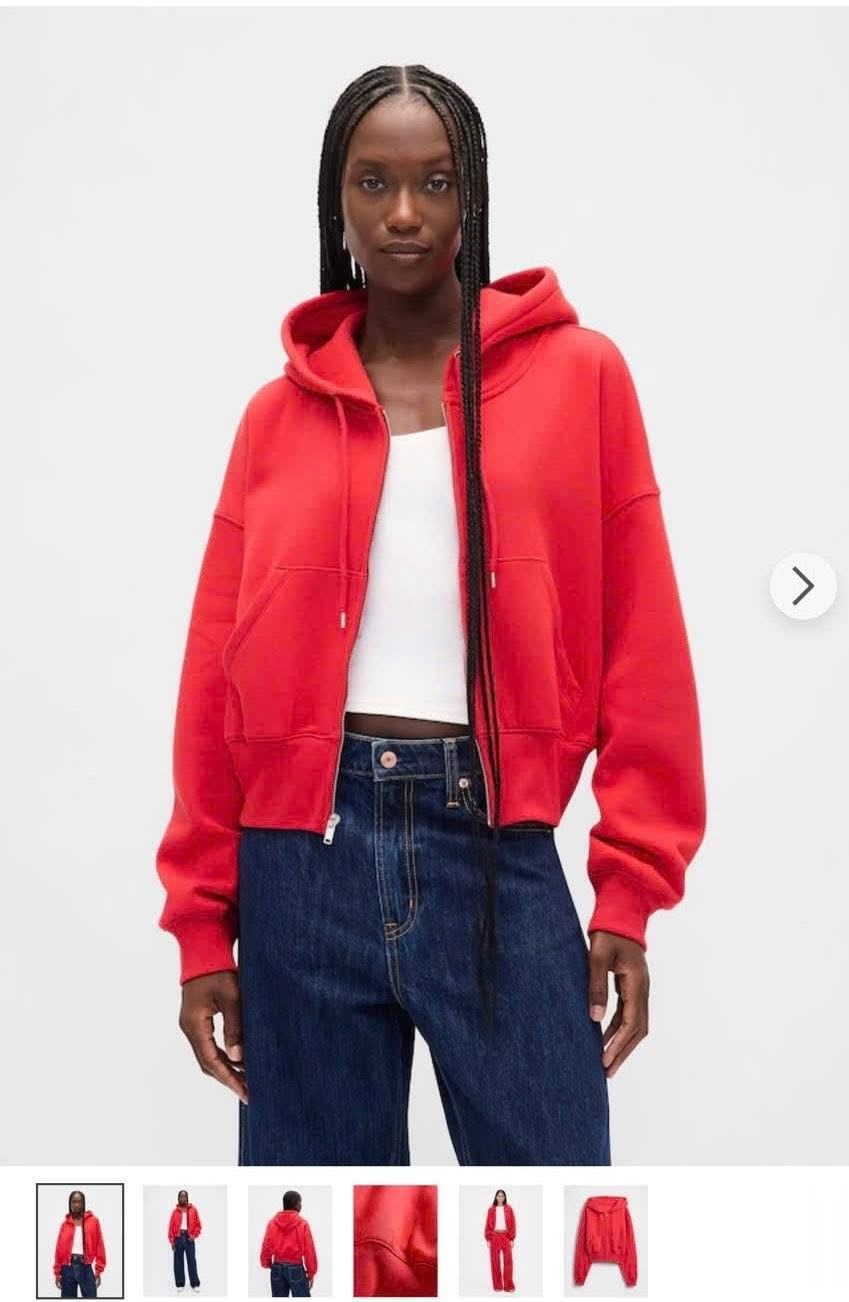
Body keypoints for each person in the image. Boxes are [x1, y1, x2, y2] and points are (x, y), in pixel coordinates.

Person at [155, 63, 706, 1166]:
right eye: (373, 182)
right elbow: (216, 679)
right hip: (300, 861)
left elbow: (642, 643)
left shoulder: (580, 377)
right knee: (323, 1230)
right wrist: (202, 925)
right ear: (336, 201)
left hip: (492, 846)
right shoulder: (276, 417)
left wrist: (626, 897)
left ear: (473, 196)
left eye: (436, 182)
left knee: (554, 1215)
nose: (404, 213)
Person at [260, 1191, 318, 1297]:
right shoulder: (302, 1224)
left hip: (277, 1267)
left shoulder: (272, 1223)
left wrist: (266, 1262)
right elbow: (309, 1250)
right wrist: (311, 1272)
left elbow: (266, 1244)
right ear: (296, 1205)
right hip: (296, 1268)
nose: (301, 1205)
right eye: (300, 1203)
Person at [53, 1190, 105, 1297]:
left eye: (79, 1202)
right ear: (70, 1204)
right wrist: (57, 1273)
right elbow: (59, 1249)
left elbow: (99, 1245)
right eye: (73, 1202)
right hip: (67, 1269)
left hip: (85, 1267)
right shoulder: (65, 1225)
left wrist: (98, 1271)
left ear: (83, 1203)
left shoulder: (93, 1221)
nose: (76, 1204)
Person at [168, 1189, 201, 1292]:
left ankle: (194, 1283)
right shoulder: (175, 1212)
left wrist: (194, 1236)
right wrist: (172, 1241)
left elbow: (198, 1225)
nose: (183, 1198)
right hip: (178, 1238)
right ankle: (180, 1283)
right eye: (181, 1196)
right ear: (178, 1198)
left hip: (189, 1237)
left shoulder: (193, 1210)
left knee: (191, 1261)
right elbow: (170, 1227)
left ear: (187, 1197)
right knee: (178, 1262)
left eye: (184, 1196)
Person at [484, 1189, 515, 1293]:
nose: (500, 1197)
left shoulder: (509, 1209)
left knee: (508, 1262)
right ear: (496, 1197)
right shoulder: (491, 1210)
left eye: (502, 1196)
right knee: (495, 1262)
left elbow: (513, 1224)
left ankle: (508, 1286)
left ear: (504, 1197)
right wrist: (488, 1239)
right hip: (494, 1236)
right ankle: (497, 1286)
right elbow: (487, 1225)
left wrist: (512, 1238)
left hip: (506, 1236)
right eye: (498, 1195)